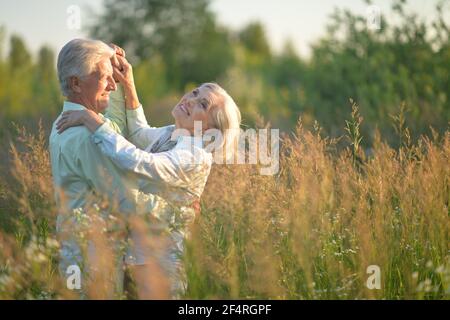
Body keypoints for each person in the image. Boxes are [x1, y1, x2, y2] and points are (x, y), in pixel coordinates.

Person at [56, 47, 242, 297]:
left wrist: (94, 121)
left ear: (210, 128)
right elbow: (138, 134)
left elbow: (142, 163)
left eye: (203, 104)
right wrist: (128, 85)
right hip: (135, 259)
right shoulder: (174, 134)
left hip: (160, 265)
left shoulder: (196, 155)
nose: (190, 99)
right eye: (195, 92)